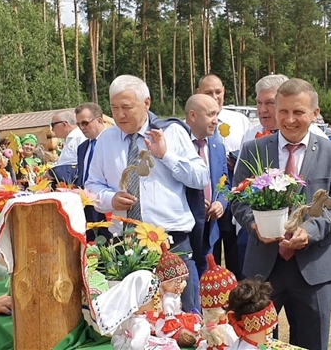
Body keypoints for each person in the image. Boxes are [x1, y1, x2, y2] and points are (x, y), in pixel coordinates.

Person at [231, 78, 331, 349]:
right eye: (283, 111)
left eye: (298, 112)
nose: (289, 119)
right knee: (255, 343)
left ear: (315, 114)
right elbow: (237, 200)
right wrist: (254, 226)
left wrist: (308, 232)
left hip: (313, 269)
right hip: (263, 268)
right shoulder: (253, 150)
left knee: (312, 343)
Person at [86, 75, 209, 312]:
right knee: (133, 318)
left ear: (147, 103)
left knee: (181, 318)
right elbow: (91, 186)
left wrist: (166, 156)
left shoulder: (171, 132)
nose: (120, 114)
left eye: (126, 107)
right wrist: (111, 199)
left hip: (170, 241)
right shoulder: (106, 140)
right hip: (124, 243)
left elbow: (201, 177)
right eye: (114, 108)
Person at [197, 74, 252, 280]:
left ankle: (236, 293)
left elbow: (250, 155)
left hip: (234, 195)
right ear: (198, 93)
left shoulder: (240, 120)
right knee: (208, 251)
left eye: (217, 92)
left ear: (224, 92)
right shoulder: (190, 123)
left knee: (234, 247)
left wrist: (237, 163)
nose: (214, 96)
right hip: (206, 198)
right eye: (208, 92)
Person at [184, 94, 229, 277]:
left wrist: (221, 203)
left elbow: (224, 183)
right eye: (211, 114)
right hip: (183, 231)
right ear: (193, 116)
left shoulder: (218, 146)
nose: (216, 121)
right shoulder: (176, 145)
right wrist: (193, 201)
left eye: (216, 114)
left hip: (210, 230)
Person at [74, 102, 109, 242]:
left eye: (85, 123)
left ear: (99, 120)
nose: (82, 128)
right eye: (78, 124)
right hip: (87, 207)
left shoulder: (113, 143)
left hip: (107, 204)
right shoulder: (82, 147)